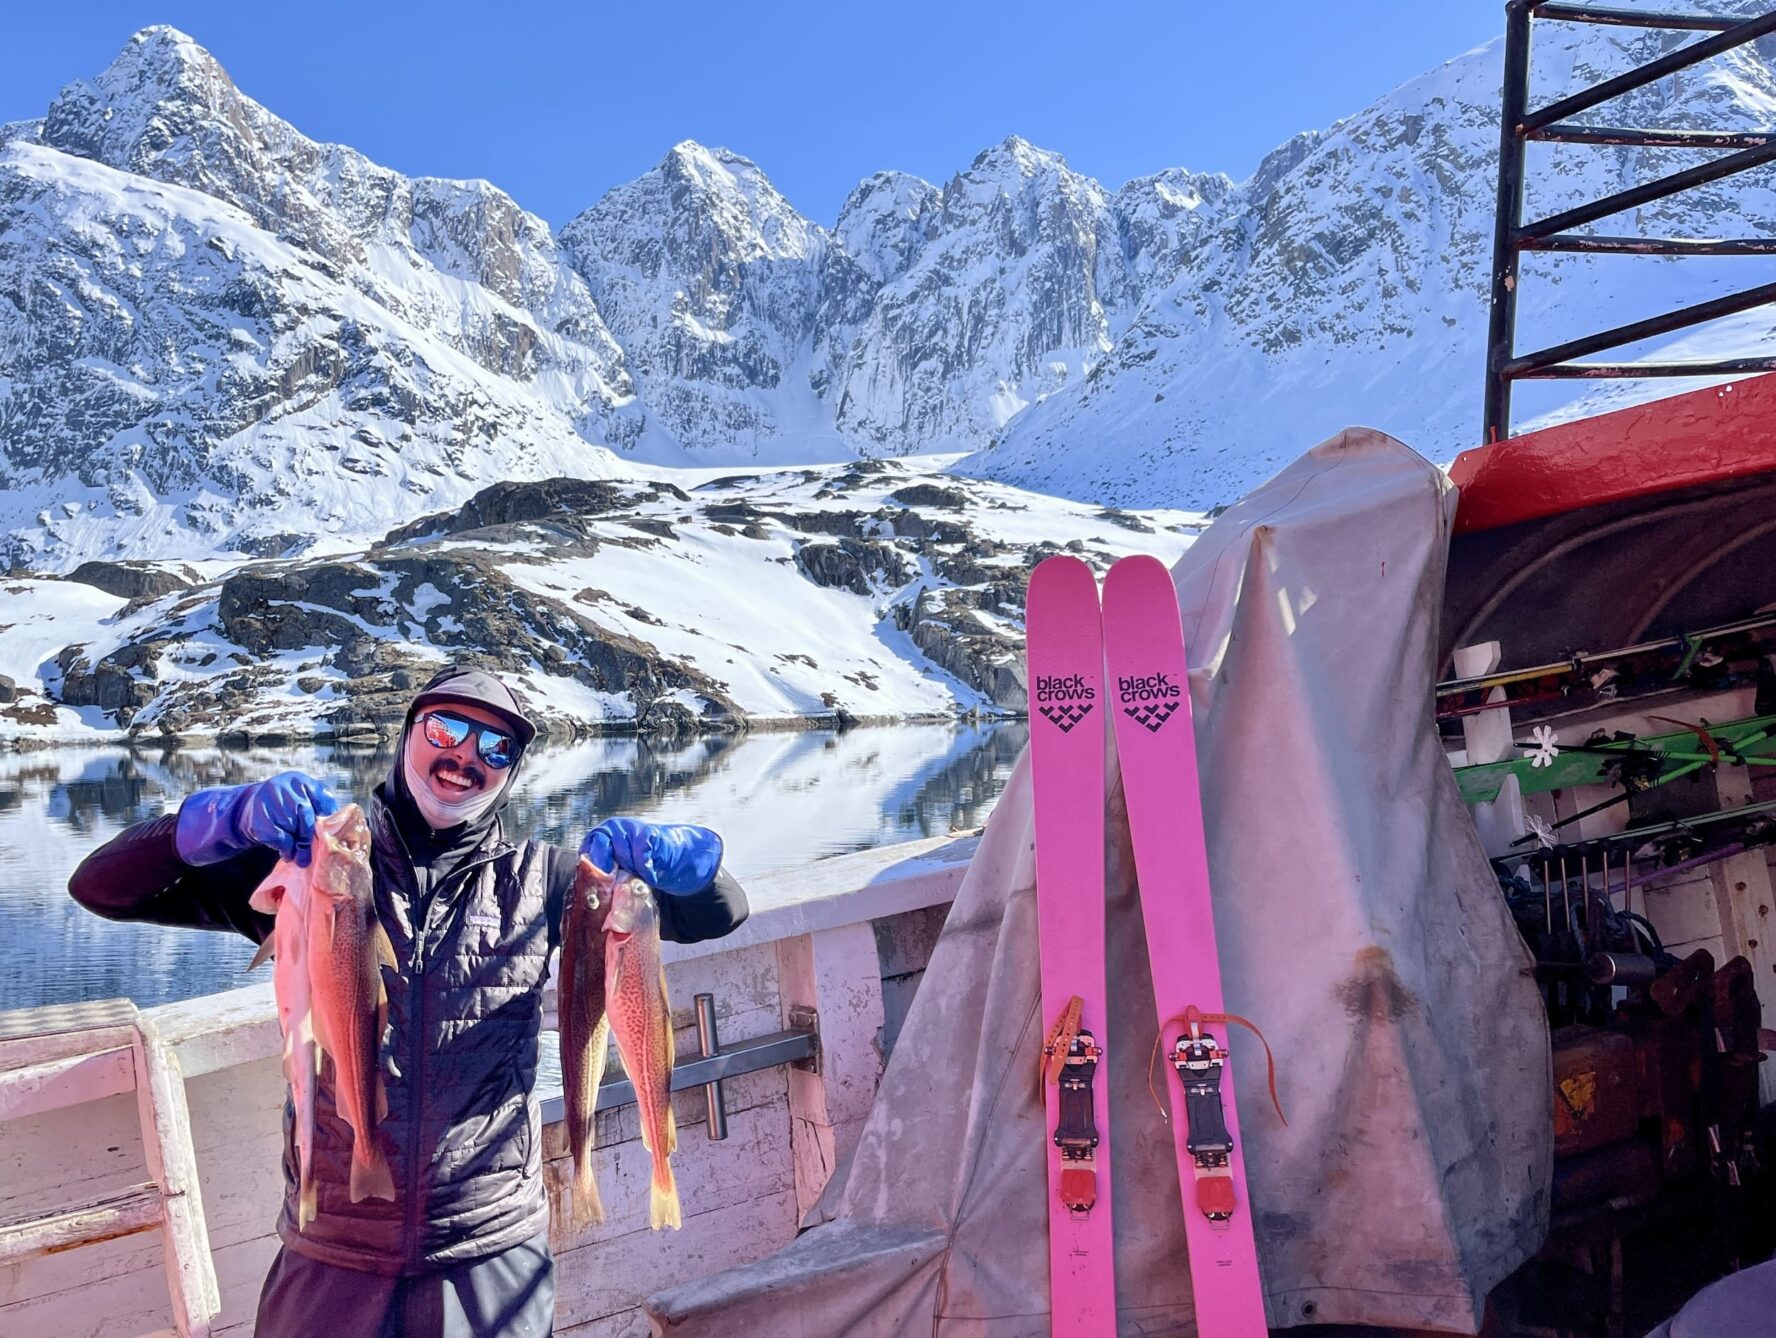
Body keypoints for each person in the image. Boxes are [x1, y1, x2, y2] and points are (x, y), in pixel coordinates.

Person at [67, 665, 748, 1337]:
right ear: (407, 733)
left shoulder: (546, 880)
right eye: (446, 727)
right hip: (333, 1248)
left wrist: (695, 864)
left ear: (511, 772)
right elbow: (101, 887)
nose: (465, 757)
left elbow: (718, 914)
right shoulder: (310, 870)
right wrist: (217, 820)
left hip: (488, 1246)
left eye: (495, 748)